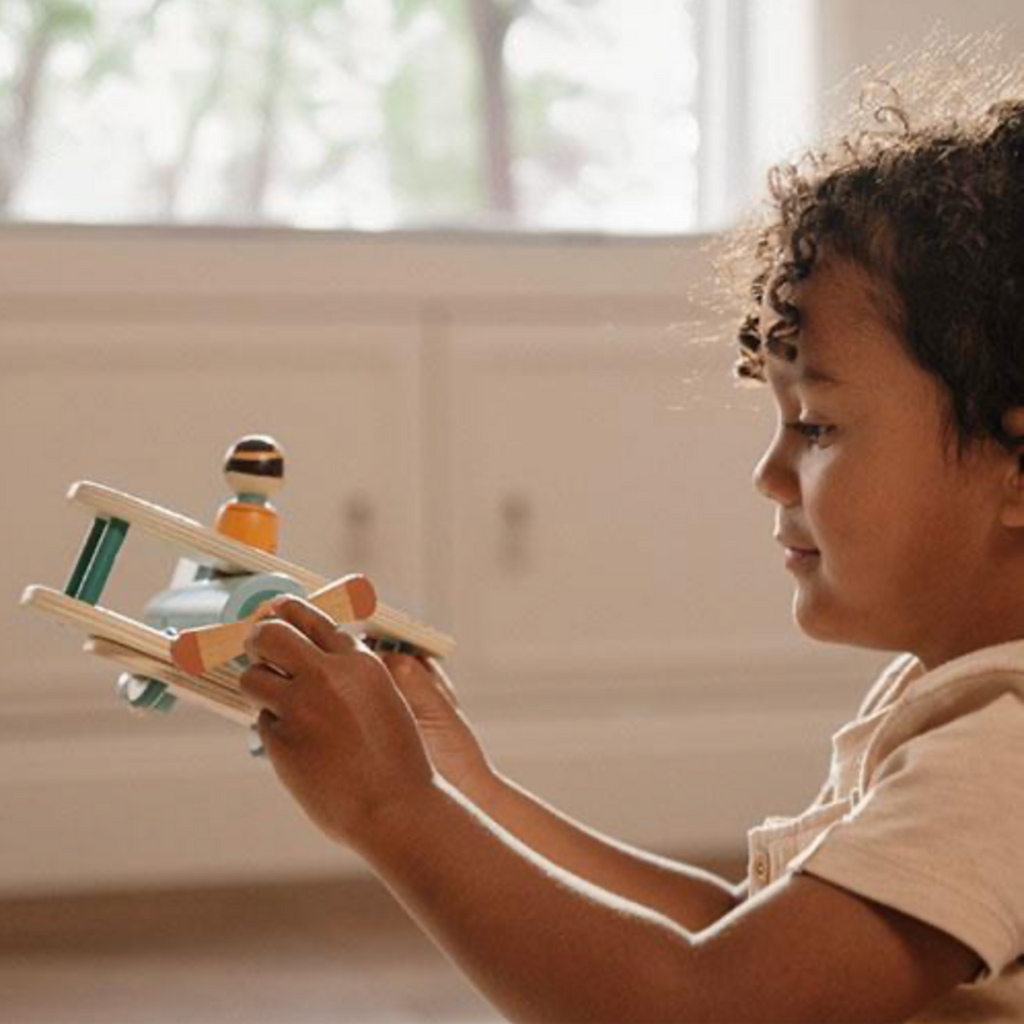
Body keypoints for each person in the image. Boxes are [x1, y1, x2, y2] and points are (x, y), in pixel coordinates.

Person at [237, 40, 1024, 1022]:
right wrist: (463, 785)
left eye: (815, 426)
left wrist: (393, 809)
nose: (768, 472)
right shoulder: (957, 706)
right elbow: (749, 934)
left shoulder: (1004, 757)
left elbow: (698, 1002)